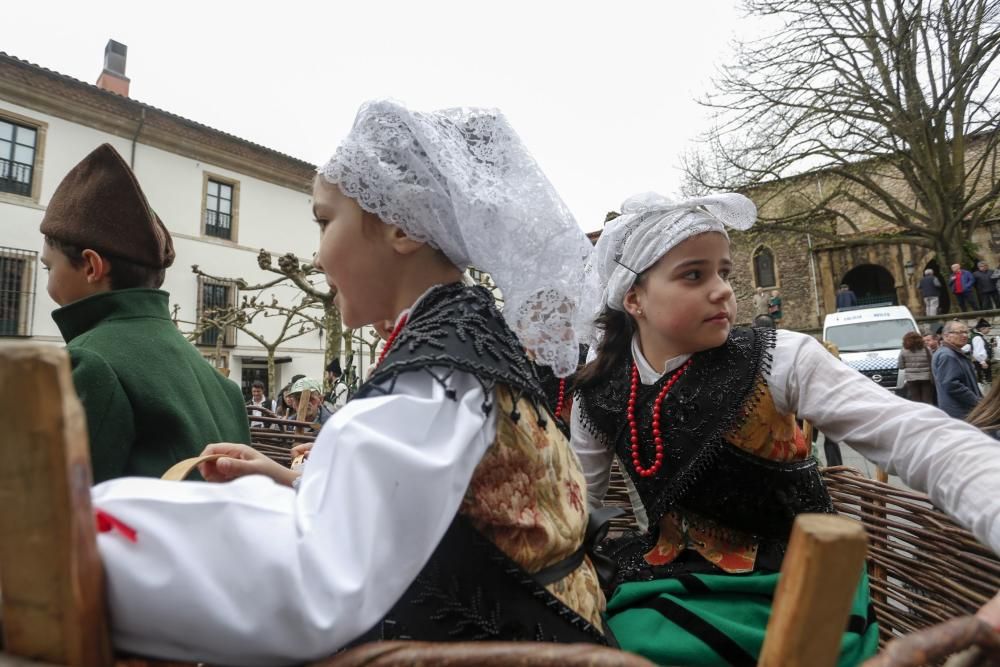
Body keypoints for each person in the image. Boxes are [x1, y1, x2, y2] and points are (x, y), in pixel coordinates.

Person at [89, 100, 606, 664]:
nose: (317, 255)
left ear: (402, 227)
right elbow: (418, 505)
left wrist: (77, 540)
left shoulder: (442, 370)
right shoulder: (459, 338)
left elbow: (318, 577)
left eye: (324, 221)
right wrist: (296, 483)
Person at [571, 191, 1000, 666]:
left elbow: (917, 437)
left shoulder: (781, 357)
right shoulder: (596, 395)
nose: (722, 290)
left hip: (803, 575)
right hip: (668, 579)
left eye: (724, 272)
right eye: (694, 274)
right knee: (614, 644)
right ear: (634, 298)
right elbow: (574, 516)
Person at [39, 143, 251, 483]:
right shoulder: (221, 386)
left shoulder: (91, 362)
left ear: (92, 266)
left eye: (48, 268)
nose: (48, 285)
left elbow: (51, 515)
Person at [932, 320, 982, 419]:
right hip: (960, 411)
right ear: (946, 336)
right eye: (959, 332)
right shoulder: (947, 355)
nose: (964, 335)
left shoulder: (953, 353)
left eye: (966, 332)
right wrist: (977, 402)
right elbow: (951, 385)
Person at [898, 332, 935, 405]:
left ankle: (919, 414)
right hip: (926, 378)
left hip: (911, 379)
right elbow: (933, 362)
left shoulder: (903, 351)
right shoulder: (927, 349)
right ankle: (929, 414)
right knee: (927, 400)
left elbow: (901, 366)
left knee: (916, 401)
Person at [971, 318, 994, 385]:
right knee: (984, 381)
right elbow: (977, 351)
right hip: (981, 363)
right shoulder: (978, 338)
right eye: (988, 328)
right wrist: (983, 362)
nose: (989, 330)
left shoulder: (979, 337)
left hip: (981, 363)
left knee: (985, 381)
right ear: (982, 329)